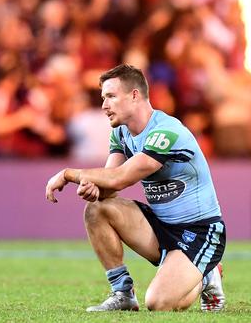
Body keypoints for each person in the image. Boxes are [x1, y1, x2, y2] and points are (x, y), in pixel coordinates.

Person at [45, 64, 226, 312]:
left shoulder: (166, 131)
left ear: (134, 95)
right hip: (161, 227)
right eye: (102, 98)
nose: (104, 105)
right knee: (96, 209)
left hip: (200, 231)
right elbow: (110, 184)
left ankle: (206, 273)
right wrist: (96, 189)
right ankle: (122, 292)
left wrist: (69, 174)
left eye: (110, 96)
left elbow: (121, 178)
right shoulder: (120, 133)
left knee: (158, 303)